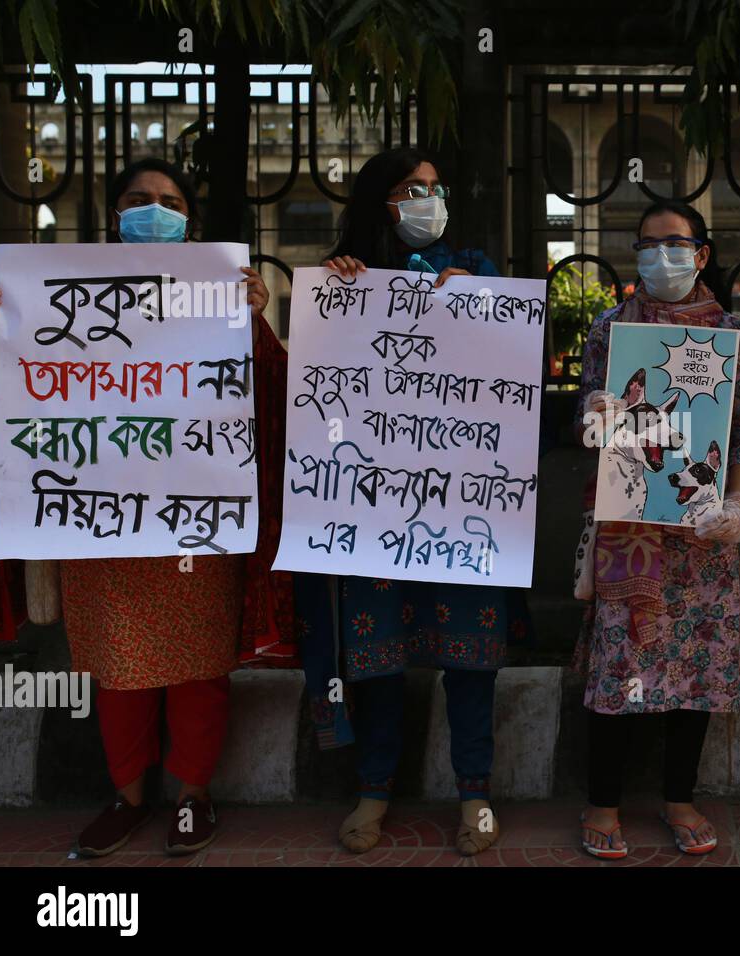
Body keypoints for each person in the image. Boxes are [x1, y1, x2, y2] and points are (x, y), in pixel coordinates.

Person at [0, 156, 292, 856]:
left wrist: (253, 325)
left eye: (169, 200)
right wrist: (1, 324)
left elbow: (272, 397)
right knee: (119, 670)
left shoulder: (221, 299)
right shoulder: (57, 294)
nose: (153, 210)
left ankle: (193, 796)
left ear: (188, 219)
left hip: (193, 523)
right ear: (113, 214)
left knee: (197, 668)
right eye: (137, 199)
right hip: (102, 523)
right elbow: (16, 395)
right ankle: (127, 798)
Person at [296, 147, 530, 856]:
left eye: (435, 186)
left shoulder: (478, 272)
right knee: (379, 660)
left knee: (470, 662)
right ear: (379, 204)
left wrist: (480, 301)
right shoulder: (345, 284)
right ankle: (374, 791)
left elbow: (515, 363)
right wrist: (339, 296)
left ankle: (476, 794)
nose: (428, 198)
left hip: (463, 509)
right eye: (410, 189)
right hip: (376, 516)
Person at [573, 199, 740, 858]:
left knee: (697, 669)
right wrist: (594, 416)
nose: (661, 256)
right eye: (647, 245)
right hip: (632, 531)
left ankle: (680, 797)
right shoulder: (611, 328)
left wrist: (739, 508)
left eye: (675, 243)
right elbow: (586, 428)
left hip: (706, 534)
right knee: (620, 664)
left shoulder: (733, 333)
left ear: (702, 253)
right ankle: (603, 804)